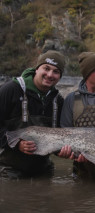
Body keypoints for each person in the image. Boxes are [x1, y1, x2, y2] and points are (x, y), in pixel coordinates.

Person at [0, 50, 66, 179]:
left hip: (43, 169)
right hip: (8, 168)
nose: (50, 74)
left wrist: (63, 151)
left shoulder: (58, 100)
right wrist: (17, 143)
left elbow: (60, 135)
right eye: (46, 68)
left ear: (60, 76)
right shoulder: (10, 90)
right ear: (37, 69)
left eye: (56, 71)